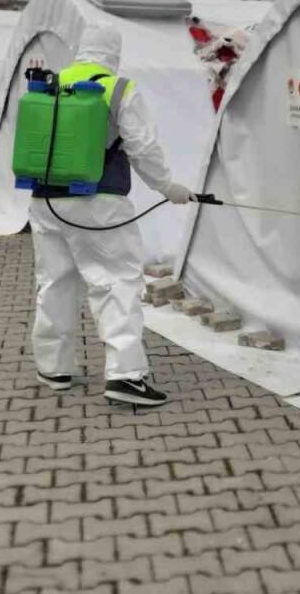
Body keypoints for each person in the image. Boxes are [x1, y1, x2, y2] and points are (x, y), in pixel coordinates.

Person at [29, 23, 192, 406]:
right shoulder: (119, 88)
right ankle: (125, 376)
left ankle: (54, 367)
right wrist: (168, 188)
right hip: (98, 202)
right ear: (113, 53)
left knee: (55, 281)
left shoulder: (51, 83)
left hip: (44, 200)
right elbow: (143, 148)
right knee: (116, 283)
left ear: (82, 49)